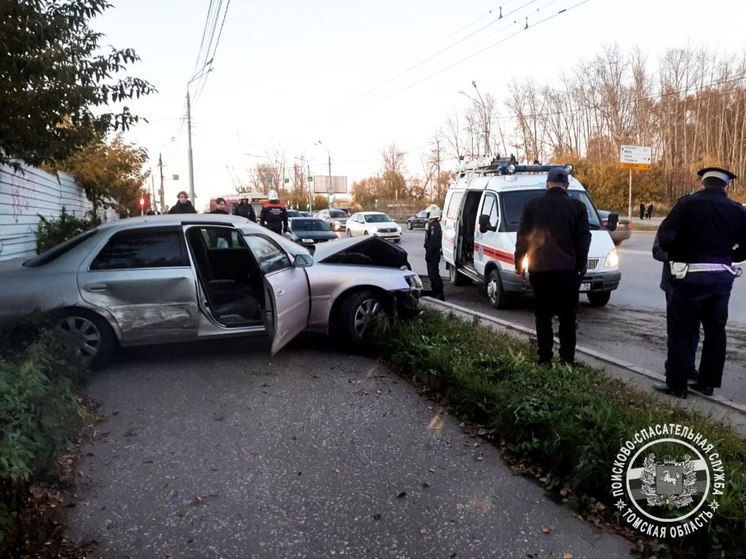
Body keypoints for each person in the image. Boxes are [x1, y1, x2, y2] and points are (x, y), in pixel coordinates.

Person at [654, 166, 746, 399]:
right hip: (721, 280)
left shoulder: (687, 204)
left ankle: (677, 385)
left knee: (680, 331)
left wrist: (680, 253)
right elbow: (744, 248)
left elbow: (665, 237)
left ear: (702, 184)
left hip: (689, 278)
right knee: (716, 333)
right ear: (725, 186)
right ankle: (707, 383)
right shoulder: (737, 210)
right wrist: (729, 257)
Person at [514, 167, 591, 366]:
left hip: (540, 270)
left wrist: (519, 263)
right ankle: (567, 359)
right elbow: (583, 239)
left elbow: (522, 236)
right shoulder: (578, 207)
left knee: (543, 316)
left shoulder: (533, 205)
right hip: (568, 271)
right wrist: (581, 263)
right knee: (567, 317)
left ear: (547, 184)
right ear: (566, 185)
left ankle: (545, 359)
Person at [652, 232, 700, 381]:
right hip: (672, 285)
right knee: (676, 329)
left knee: (693, 328)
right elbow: (657, 251)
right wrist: (676, 256)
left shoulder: (700, 222)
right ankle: (672, 367)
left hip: (696, 285)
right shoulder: (670, 224)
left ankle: (689, 366)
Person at [423, 204, 445, 301]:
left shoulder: (434, 226)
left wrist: (429, 254)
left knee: (434, 274)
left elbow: (434, 242)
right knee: (432, 274)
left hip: (433, 254)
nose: (427, 216)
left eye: (428, 214)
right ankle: (435, 292)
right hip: (431, 253)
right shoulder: (433, 225)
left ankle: (439, 294)